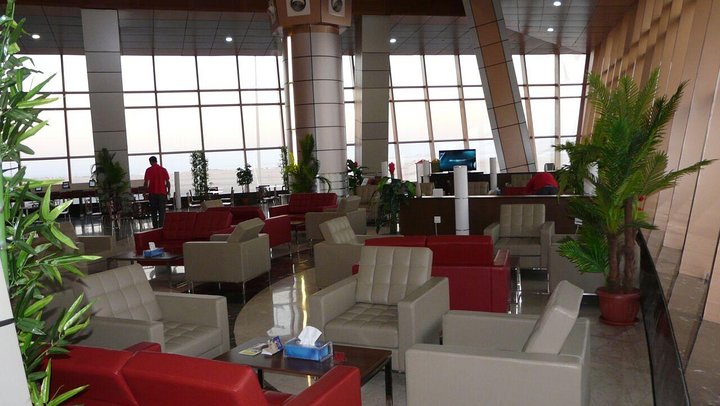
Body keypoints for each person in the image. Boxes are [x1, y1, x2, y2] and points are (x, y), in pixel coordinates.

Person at [144, 156, 170, 228]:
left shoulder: (148, 170)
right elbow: (168, 182)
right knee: (162, 212)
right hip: (162, 194)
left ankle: (155, 227)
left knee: (154, 212)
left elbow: (146, 183)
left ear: (151, 162)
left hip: (152, 194)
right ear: (156, 161)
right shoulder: (163, 169)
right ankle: (161, 227)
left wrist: (145, 192)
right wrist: (168, 191)